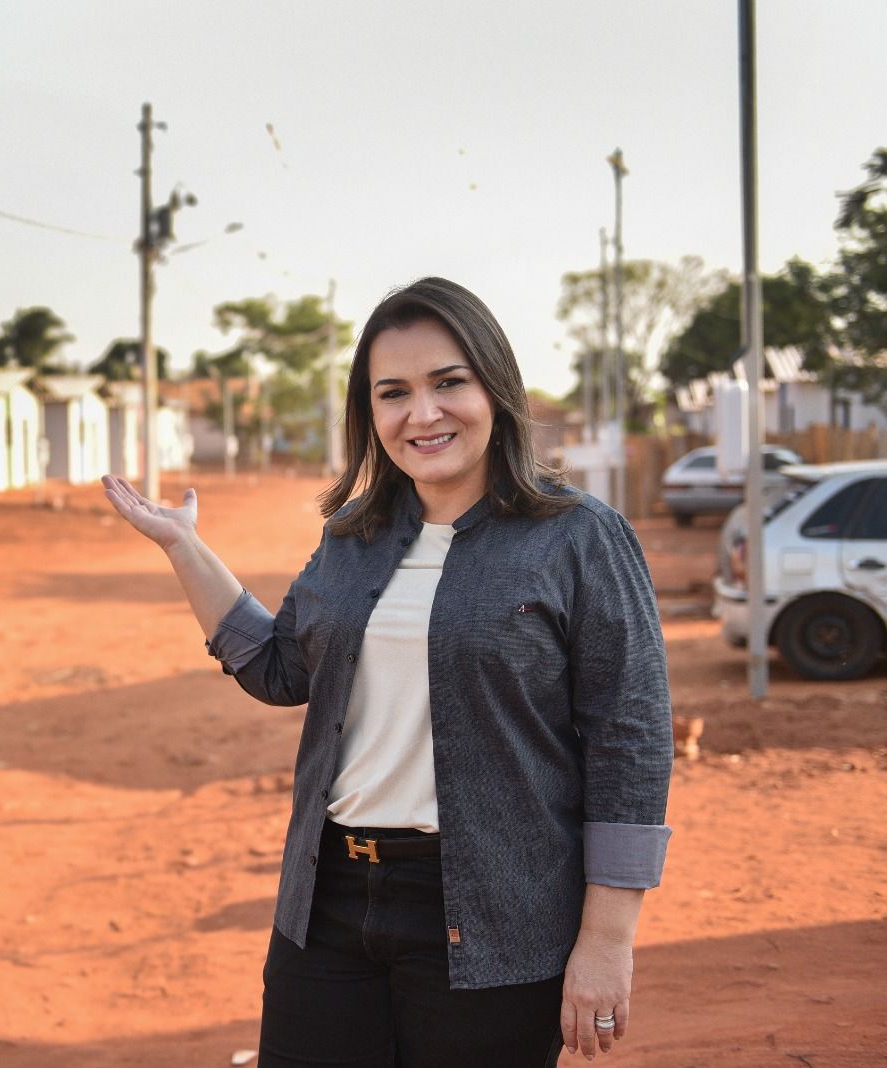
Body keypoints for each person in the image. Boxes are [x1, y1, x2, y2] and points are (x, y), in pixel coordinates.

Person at [101, 277, 672, 1067]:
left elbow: (630, 740)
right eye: (393, 393)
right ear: (368, 413)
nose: (423, 414)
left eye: (449, 383)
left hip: (496, 912)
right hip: (329, 901)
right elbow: (277, 670)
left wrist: (608, 942)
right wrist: (184, 547)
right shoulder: (354, 535)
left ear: (496, 388)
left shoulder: (578, 538)